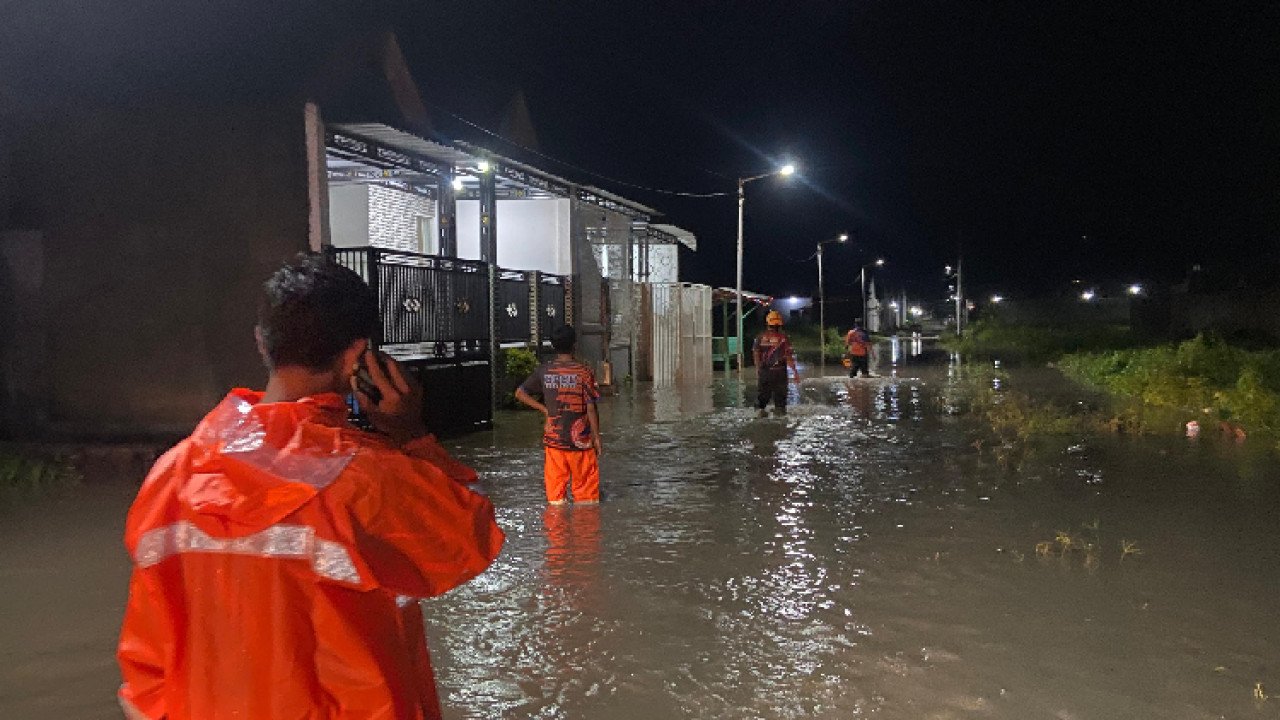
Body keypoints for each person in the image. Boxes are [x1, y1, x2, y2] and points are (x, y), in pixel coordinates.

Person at [116, 253, 505, 720]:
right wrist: (413, 437)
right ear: (357, 356)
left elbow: (145, 674)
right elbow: (472, 535)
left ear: (262, 343)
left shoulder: (172, 475)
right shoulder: (369, 479)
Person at [514, 325, 602, 504]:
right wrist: (596, 436)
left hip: (554, 442)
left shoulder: (544, 371)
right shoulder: (584, 372)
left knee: (555, 501)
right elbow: (591, 407)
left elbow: (520, 393)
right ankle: (584, 530)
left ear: (553, 346)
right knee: (586, 500)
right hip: (581, 443)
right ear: (574, 345)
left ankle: (557, 530)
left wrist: (545, 409)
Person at [753, 309, 799, 417]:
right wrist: (795, 372)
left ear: (768, 323)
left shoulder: (759, 338)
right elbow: (788, 356)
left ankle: (760, 416)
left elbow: (755, 354)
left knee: (762, 400)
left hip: (765, 372)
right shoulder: (783, 338)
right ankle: (780, 422)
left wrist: (758, 369)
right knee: (780, 404)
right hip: (780, 373)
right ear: (779, 324)